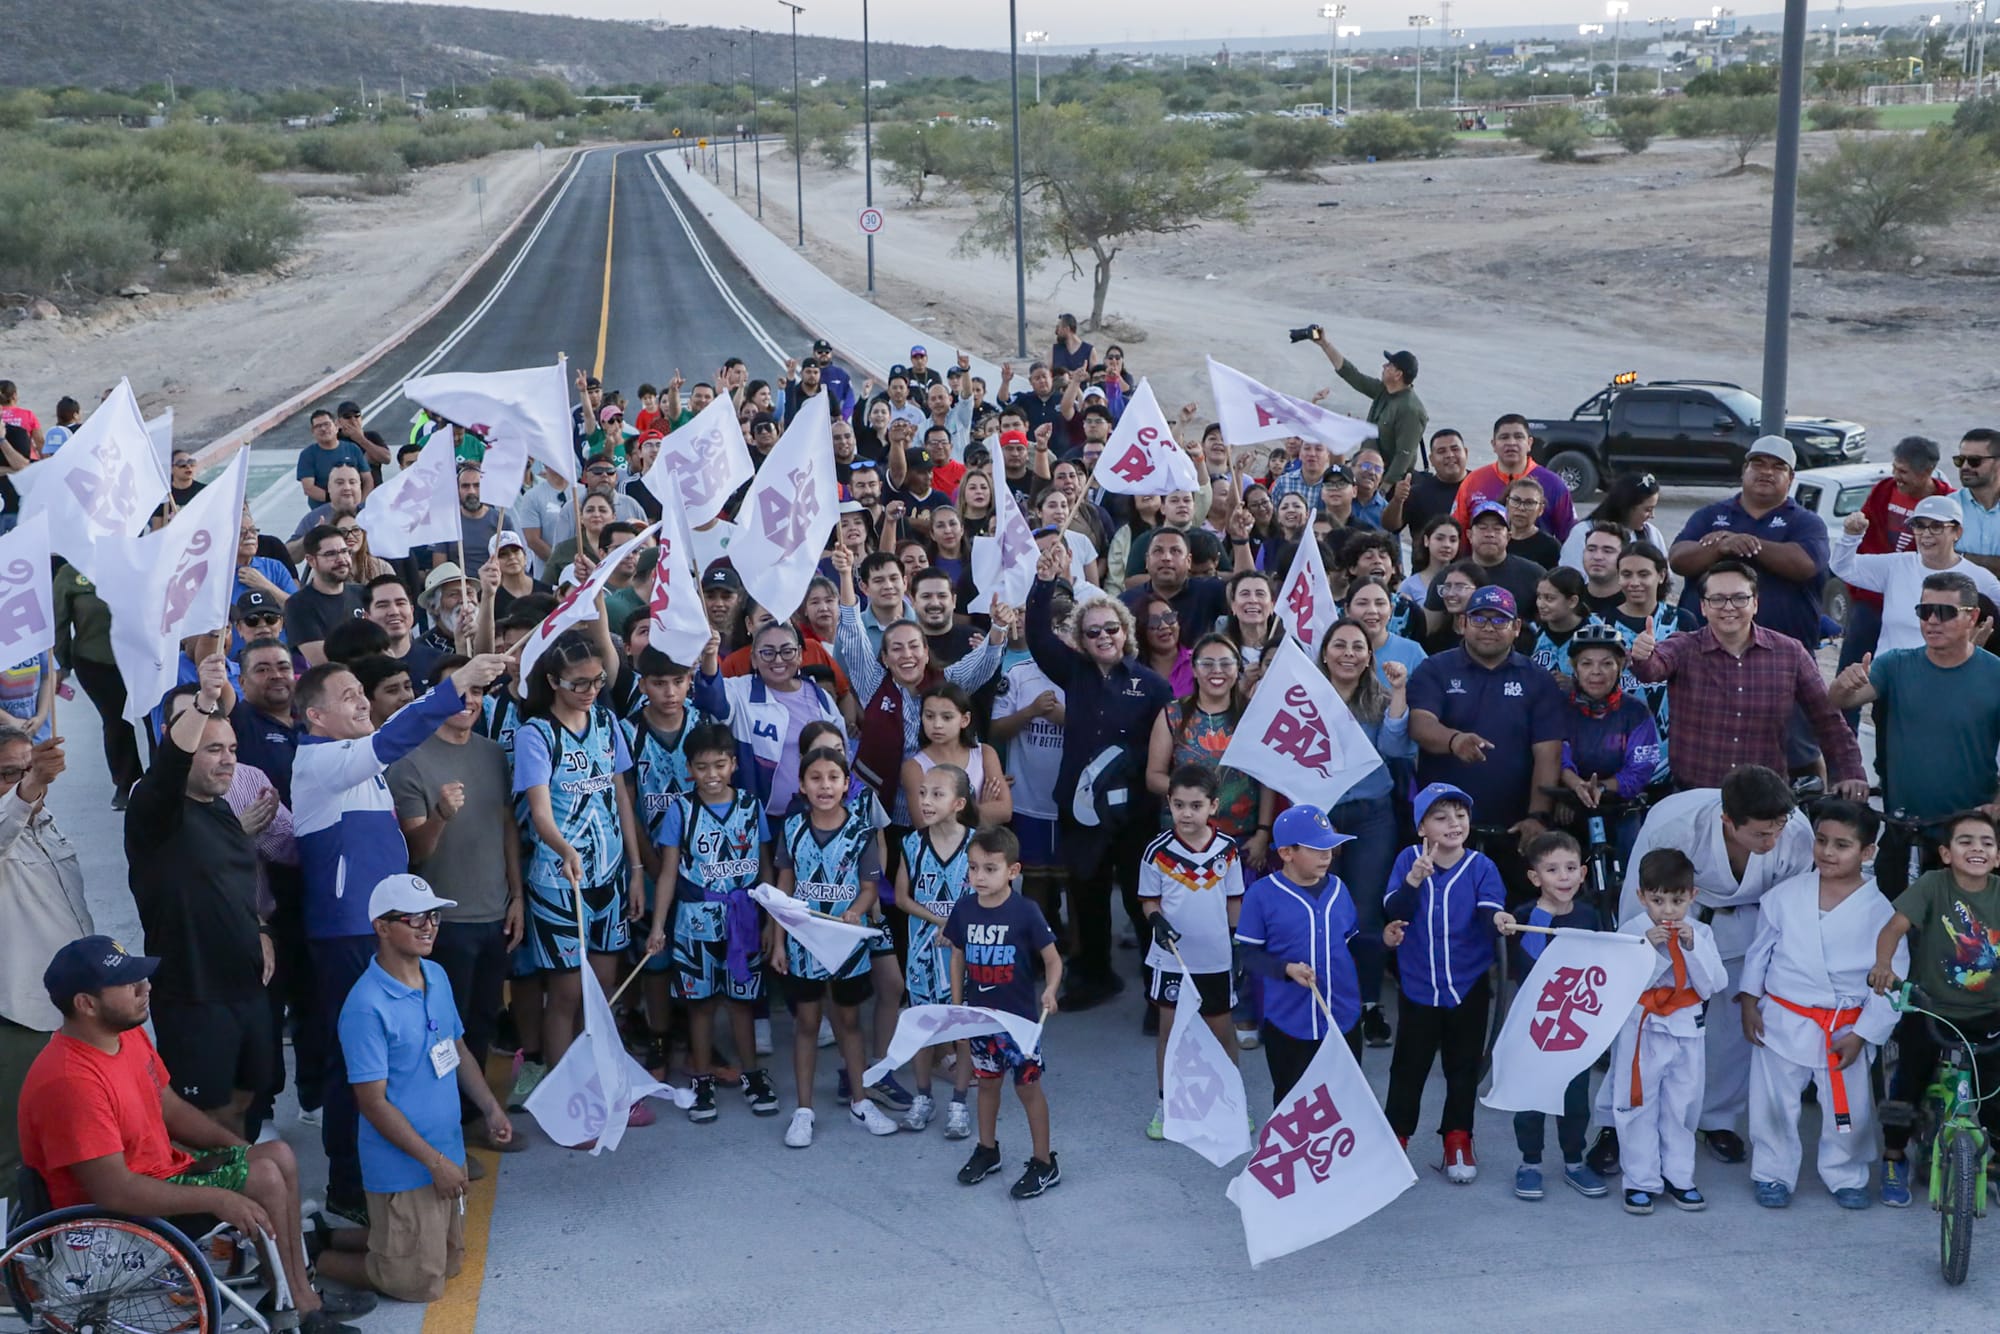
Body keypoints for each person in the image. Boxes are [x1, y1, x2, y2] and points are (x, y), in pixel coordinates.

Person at [17, 937, 373, 1334]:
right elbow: (114, 1192)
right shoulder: (72, 1082)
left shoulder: (124, 1034)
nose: (145, 987)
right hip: (109, 1227)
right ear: (86, 1004)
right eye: (128, 983)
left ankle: (295, 1292)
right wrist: (219, 1198)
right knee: (264, 1178)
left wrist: (239, 1150)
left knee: (277, 1156)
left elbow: (168, 1105)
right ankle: (300, 1310)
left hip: (158, 1179)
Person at [294, 647, 513, 1221]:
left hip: (373, 932)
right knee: (356, 1066)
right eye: (347, 696)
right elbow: (392, 739)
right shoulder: (320, 761)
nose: (362, 700)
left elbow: (389, 736)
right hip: (347, 936)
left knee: (393, 1059)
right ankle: (348, 1192)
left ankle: (387, 1172)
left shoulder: (358, 766)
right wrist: (457, 684)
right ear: (315, 718)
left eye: (361, 693)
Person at [1610, 765, 1814, 1171]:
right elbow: (1643, 899)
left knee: (1733, 1022)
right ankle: (1614, 1124)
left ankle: (1717, 1119)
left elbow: (1791, 906)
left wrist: (1778, 965)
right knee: (1644, 1022)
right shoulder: (1675, 825)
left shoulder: (1797, 834)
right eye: (1760, 834)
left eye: (1777, 829)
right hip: (1678, 917)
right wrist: (1637, 958)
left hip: (1751, 924)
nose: (1773, 841)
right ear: (1727, 821)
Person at [339, 874, 512, 1304]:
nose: (429, 926)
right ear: (381, 926)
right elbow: (373, 1104)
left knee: (449, 1262)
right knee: (417, 1284)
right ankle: (311, 1260)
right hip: (407, 1166)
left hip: (444, 1154)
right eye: (414, 919)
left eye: (433, 916)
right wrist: (434, 1163)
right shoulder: (365, 1007)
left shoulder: (436, 975)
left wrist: (491, 1108)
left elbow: (458, 1051)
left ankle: (338, 1237)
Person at [125, 654, 275, 1140]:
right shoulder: (154, 811)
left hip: (247, 990)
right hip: (193, 996)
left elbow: (233, 885)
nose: (228, 758)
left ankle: (245, 1198)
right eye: (213, 749)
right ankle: (212, 1209)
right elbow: (169, 767)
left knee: (249, 1097)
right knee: (201, 1119)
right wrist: (207, 699)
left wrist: (261, 930)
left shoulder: (224, 812)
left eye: (231, 748)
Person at [1026, 551, 1172, 1010]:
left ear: (1125, 632)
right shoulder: (1073, 672)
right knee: (1086, 892)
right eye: (1094, 632)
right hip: (1082, 807)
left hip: (1134, 814)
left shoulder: (1152, 685)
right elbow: (1035, 637)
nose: (1104, 636)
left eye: (1112, 628)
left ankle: (1157, 991)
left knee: (1139, 899)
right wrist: (1043, 583)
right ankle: (1093, 975)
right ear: (1081, 640)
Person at [388, 658, 522, 1154]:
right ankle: (441, 1133)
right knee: (444, 1033)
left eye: (479, 693)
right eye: (461, 691)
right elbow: (416, 850)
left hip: (493, 912)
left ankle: (471, 1124)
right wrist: (442, 815)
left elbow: (507, 828)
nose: (470, 701)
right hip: (444, 921)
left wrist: (518, 897)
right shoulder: (410, 760)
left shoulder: (492, 754)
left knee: (483, 1022)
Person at [1737, 801, 1899, 1210]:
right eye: (1822, 841)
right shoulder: (1785, 896)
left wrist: (1864, 1034)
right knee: (1772, 1103)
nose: (1828, 852)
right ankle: (1772, 1173)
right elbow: (1759, 954)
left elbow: (1891, 983)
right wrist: (1750, 1003)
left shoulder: (1883, 913)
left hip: (1845, 1026)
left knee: (1851, 1112)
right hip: (1784, 1016)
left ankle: (1846, 1173)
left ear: (1867, 853)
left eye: (1842, 845)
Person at [513, 630, 646, 1086]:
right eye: (579, 684)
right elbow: (539, 811)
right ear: (553, 681)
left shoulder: (607, 724)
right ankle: (565, 1094)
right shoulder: (537, 734)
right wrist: (566, 849)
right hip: (558, 882)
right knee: (567, 993)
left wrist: (636, 869)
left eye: (597, 682)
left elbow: (622, 798)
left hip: (608, 878)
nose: (590, 692)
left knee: (603, 989)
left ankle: (601, 1080)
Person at [1627, 561, 1865, 797]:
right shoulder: (1682, 646)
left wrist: (1850, 772)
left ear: (1755, 603)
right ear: (1703, 607)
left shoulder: (1790, 652)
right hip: (1694, 795)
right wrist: (1643, 655)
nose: (1728, 607)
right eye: (1717, 599)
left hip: (1765, 801)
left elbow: (1827, 718)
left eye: (1740, 598)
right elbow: (1652, 669)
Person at [1667, 437, 1832, 774]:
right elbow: (1679, 559)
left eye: (1778, 467)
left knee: (1798, 753)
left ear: (1792, 478)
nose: (1766, 472)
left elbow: (1805, 564)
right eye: (1759, 464)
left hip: (1784, 660)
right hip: (1709, 658)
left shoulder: (1805, 522)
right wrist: (1721, 546)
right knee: (1713, 749)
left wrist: (1752, 546)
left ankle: (1811, 815)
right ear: (1744, 470)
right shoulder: (1711, 515)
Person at [1830, 572, 2000, 897]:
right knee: (1891, 927)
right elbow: (1842, 700)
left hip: (1966, 838)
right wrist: (1843, 684)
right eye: (1924, 611)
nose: (1932, 621)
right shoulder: (1894, 665)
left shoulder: (1994, 675)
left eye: (1945, 612)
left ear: (1972, 616)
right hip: (1900, 832)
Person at [1869, 810, 2000, 1209]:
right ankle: (1894, 1158)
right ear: (1945, 853)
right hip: (1932, 1008)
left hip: (1989, 1012)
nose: (1976, 848)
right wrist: (1883, 965)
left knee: (1995, 1095)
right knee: (1909, 1081)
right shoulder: (1932, 886)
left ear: (1997, 856)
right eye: (1965, 841)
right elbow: (1894, 928)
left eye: (1986, 843)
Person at [772, 747, 901, 1147]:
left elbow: (868, 889)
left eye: (833, 777)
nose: (824, 785)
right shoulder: (792, 828)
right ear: (802, 785)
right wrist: (777, 941)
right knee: (807, 1023)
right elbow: (784, 887)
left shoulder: (862, 833)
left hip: (847, 944)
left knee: (848, 1023)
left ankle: (861, 1102)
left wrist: (855, 913)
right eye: (815, 778)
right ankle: (804, 1110)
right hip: (803, 944)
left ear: (847, 784)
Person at [1381, 783, 1506, 1181]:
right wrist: (1414, 880)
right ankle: (1394, 1141)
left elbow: (1489, 911)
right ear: (1422, 828)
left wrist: (1498, 920)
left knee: (1463, 1067)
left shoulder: (1482, 866)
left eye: (1460, 815)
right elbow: (1394, 910)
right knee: (1408, 1068)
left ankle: (1457, 1139)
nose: (1454, 823)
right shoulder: (1407, 860)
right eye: (1441, 817)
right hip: (1418, 985)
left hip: (1467, 987)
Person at [1406, 586, 1564, 895]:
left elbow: (1549, 753)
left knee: (1510, 917)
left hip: (1515, 829)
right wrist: (1455, 741)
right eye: (1479, 620)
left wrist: (1538, 816)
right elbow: (1420, 724)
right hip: (1443, 828)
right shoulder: (1435, 669)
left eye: (1499, 621)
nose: (1488, 628)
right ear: (1463, 623)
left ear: (1516, 628)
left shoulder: (1537, 679)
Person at [946, 823, 1065, 1198]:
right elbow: (958, 955)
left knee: (1028, 1089)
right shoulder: (964, 909)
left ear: (1013, 871)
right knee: (988, 1086)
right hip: (981, 1020)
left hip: (1019, 1025)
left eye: (990, 868)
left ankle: (1045, 1162)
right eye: (973, 867)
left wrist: (1050, 990)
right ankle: (987, 1149)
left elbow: (1053, 960)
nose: (979, 876)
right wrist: (956, 1004)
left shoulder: (1025, 911)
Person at [1494, 831, 1609, 1202]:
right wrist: (1540, 916)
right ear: (1535, 877)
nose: (1563, 877)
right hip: (1536, 1024)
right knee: (1532, 1096)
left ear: (1583, 873)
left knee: (1575, 1098)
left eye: (1571, 868)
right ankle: (1530, 1162)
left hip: (1576, 1024)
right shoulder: (1527, 916)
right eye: (1552, 869)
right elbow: (1528, 960)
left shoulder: (1591, 914)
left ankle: (1574, 1161)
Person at [1611, 848, 1727, 1216]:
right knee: (1637, 1104)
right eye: (1657, 900)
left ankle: (1680, 1176)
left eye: (1677, 901)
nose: (1667, 911)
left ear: (1693, 897)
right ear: (1641, 897)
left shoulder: (1702, 932)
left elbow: (1715, 984)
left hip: (1686, 1027)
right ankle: (1640, 1181)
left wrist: (1692, 947)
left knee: (1682, 1106)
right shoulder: (1631, 932)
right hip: (1642, 1027)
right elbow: (1621, 984)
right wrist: (1651, 948)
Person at [1318, 621, 1413, 1044]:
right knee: (1321, 910)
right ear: (1324, 654)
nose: (1349, 653)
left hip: (1373, 815)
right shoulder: (1305, 699)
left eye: (1358, 646)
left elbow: (1393, 751)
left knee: (1366, 909)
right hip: (1321, 817)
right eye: (1339, 645)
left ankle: (1367, 1005)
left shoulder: (1377, 696)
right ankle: (1323, 1000)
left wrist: (1399, 693)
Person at [1138, 764, 1245, 1141]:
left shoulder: (1228, 850)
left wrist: (1237, 944)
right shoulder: (1156, 851)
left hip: (1215, 960)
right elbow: (1149, 901)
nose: (1186, 813)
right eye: (1179, 805)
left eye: (1196, 805)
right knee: (1170, 1034)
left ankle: (1232, 1101)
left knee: (1222, 1031)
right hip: (1171, 961)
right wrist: (1156, 920)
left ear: (1213, 806)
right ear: (1168, 803)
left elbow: (1235, 900)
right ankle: (1167, 1104)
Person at [0, 729, 86, 1185]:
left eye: (28, 767)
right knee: (13, 1160)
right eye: (7, 774)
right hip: (20, 1021)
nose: (21, 780)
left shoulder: (44, 821)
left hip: (70, 1011)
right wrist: (28, 787)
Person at [1234, 806, 1362, 1102]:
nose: (1326, 854)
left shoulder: (1340, 888)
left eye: (1330, 846)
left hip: (1343, 1015)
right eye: (1317, 848)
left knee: (1345, 1100)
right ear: (1287, 852)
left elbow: (1350, 944)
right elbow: (1250, 955)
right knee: (1292, 1103)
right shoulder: (1261, 894)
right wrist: (1286, 969)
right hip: (1289, 1020)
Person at [892, 762, 977, 1135]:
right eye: (923, 792)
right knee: (922, 1028)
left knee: (963, 1029)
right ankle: (923, 1097)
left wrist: (957, 926)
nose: (925, 800)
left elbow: (986, 895)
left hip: (962, 953)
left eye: (936, 794)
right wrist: (940, 921)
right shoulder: (912, 843)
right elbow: (901, 898)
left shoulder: (977, 844)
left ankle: (959, 1103)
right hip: (923, 952)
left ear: (959, 803)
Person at [1836, 434, 1953, 688]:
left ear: (1928, 471)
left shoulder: (1949, 504)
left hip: (1914, 604)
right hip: (1870, 601)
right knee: (1850, 672)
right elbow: (1862, 540)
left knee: (1902, 678)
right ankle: (1840, 727)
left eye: (1904, 471)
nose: (1896, 476)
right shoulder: (1883, 490)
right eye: (1895, 468)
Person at [1832, 494, 2000, 655]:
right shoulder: (1895, 565)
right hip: (1889, 677)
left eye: (1936, 526)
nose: (1926, 534)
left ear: (1957, 532)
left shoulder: (1980, 579)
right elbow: (1842, 567)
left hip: (1945, 679)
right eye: (1919, 526)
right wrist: (1851, 536)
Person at [1553, 624, 1661, 869]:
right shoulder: (1558, 708)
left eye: (1607, 663)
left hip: (1620, 807)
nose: (1596, 672)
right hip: (1568, 803)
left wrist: (1600, 787)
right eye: (1586, 663)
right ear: (1573, 667)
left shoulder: (1636, 712)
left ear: (1621, 666)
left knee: (1634, 867)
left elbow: (1639, 770)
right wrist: (1575, 788)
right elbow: (1558, 756)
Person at [53, 561, 144, 805]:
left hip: (143, 657)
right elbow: (59, 622)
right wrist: (60, 665)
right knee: (117, 720)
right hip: (97, 660)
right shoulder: (70, 574)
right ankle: (128, 782)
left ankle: (164, 781)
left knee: (157, 719)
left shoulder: (137, 559)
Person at [1310, 332, 1427, 484]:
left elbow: (1404, 456)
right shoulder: (1385, 391)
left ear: (1398, 374)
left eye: (1389, 365)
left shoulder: (1411, 409)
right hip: (1366, 473)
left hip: (1382, 482)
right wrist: (1324, 344)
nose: (1384, 366)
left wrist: (1383, 489)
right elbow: (1353, 375)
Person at [1424, 502, 1543, 635]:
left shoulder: (1533, 574)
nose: (1489, 534)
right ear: (1469, 535)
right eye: (1482, 528)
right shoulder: (1448, 576)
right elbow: (1430, 629)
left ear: (1509, 537)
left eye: (1497, 529)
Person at [1452, 415, 1576, 540]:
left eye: (1518, 437)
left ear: (1529, 443)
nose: (1511, 443)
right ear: (1494, 444)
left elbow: (1570, 536)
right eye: (1504, 437)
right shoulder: (1473, 481)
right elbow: (1458, 533)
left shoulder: (1553, 484)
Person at [286, 525, 367, 668]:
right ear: (311, 560)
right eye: (331, 554)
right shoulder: (298, 605)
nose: (341, 559)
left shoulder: (363, 593)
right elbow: (324, 662)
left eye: (344, 551)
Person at [1557, 472, 1667, 571]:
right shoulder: (1582, 532)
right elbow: (1570, 577)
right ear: (1627, 507)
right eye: (1648, 509)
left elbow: (1664, 575)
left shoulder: (1651, 534)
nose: (1652, 516)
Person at [298, 407, 371, 505]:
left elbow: (368, 479)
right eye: (318, 426)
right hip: (323, 511)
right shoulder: (307, 455)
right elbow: (308, 488)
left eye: (326, 424)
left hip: (354, 508)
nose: (323, 429)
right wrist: (335, 501)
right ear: (313, 431)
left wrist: (360, 504)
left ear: (336, 427)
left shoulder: (352, 449)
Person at [1952, 428, 2000, 571]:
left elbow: (1949, 560)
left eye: (1975, 461)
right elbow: (1937, 560)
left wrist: (1962, 557)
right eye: (1960, 460)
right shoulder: (1948, 507)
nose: (1965, 467)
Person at [1504, 477, 1563, 570]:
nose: (1521, 508)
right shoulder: (1498, 540)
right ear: (1507, 504)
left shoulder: (1550, 547)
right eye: (1516, 500)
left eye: (1529, 503)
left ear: (1540, 509)